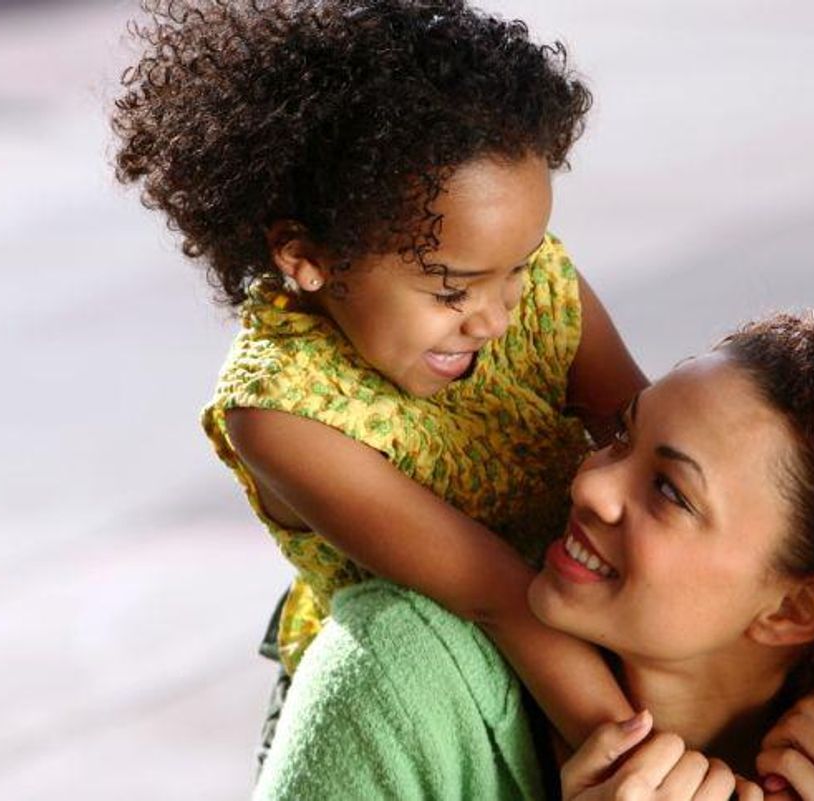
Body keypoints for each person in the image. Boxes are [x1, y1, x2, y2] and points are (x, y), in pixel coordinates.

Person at [110, 0, 645, 766]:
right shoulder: (283, 413)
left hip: (566, 636)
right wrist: (651, 758)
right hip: (417, 709)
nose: (494, 317)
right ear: (306, 256)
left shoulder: (535, 289)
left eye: (517, 267)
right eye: (452, 291)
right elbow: (499, 597)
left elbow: (646, 438)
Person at [256, 313, 814, 801]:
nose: (590, 482)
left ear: (793, 608)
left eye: (669, 491)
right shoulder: (400, 678)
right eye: (622, 433)